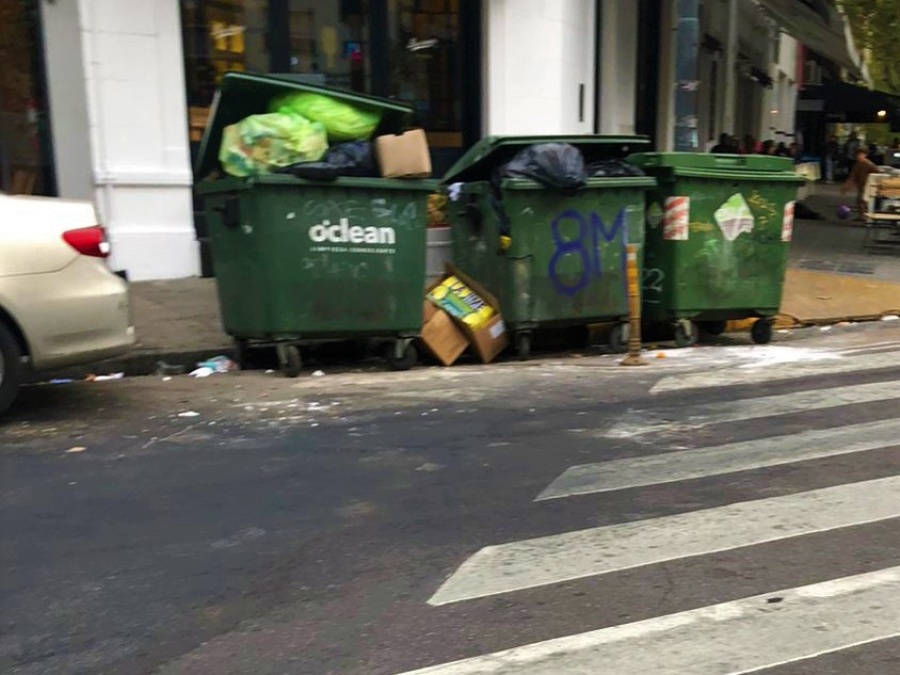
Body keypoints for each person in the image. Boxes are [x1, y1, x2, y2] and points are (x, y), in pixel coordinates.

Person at [841, 148, 880, 222]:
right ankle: (862, 215)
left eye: (861, 155)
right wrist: (847, 186)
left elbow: (877, 173)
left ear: (865, 155)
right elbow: (853, 176)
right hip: (861, 185)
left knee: (864, 200)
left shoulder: (869, 164)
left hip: (868, 185)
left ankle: (866, 215)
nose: (859, 157)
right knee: (859, 200)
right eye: (858, 155)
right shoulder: (857, 165)